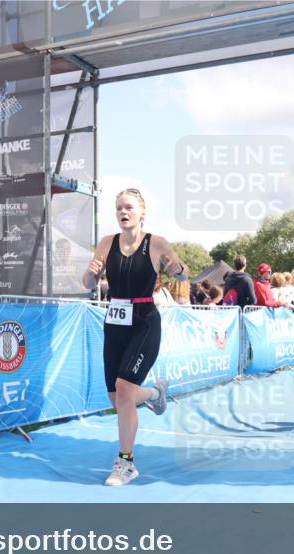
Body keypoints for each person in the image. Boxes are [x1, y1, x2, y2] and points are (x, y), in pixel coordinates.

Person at [81, 188, 188, 486]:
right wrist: (91, 273)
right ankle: (155, 394)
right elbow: (87, 281)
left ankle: (125, 464)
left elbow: (183, 274)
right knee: (118, 399)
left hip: (144, 323)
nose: (123, 213)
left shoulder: (156, 244)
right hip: (114, 322)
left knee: (125, 391)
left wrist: (178, 269)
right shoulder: (106, 243)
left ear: (142, 212)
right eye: (118, 209)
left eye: (128, 207)